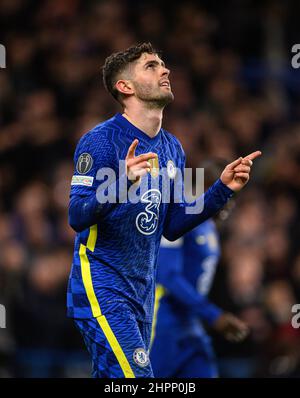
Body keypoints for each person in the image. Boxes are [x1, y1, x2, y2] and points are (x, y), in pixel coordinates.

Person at [67, 42, 261, 378]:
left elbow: (171, 224)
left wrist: (222, 189)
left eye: (163, 64)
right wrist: (122, 183)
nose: (165, 70)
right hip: (102, 287)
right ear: (125, 86)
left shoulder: (172, 147)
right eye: (152, 66)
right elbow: (76, 215)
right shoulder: (99, 141)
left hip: (141, 294)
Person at [150, 159, 249, 378]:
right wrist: (214, 315)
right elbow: (167, 275)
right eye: (225, 192)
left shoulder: (210, 227)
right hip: (163, 323)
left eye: (234, 195)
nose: (230, 203)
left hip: (190, 323)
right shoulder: (181, 219)